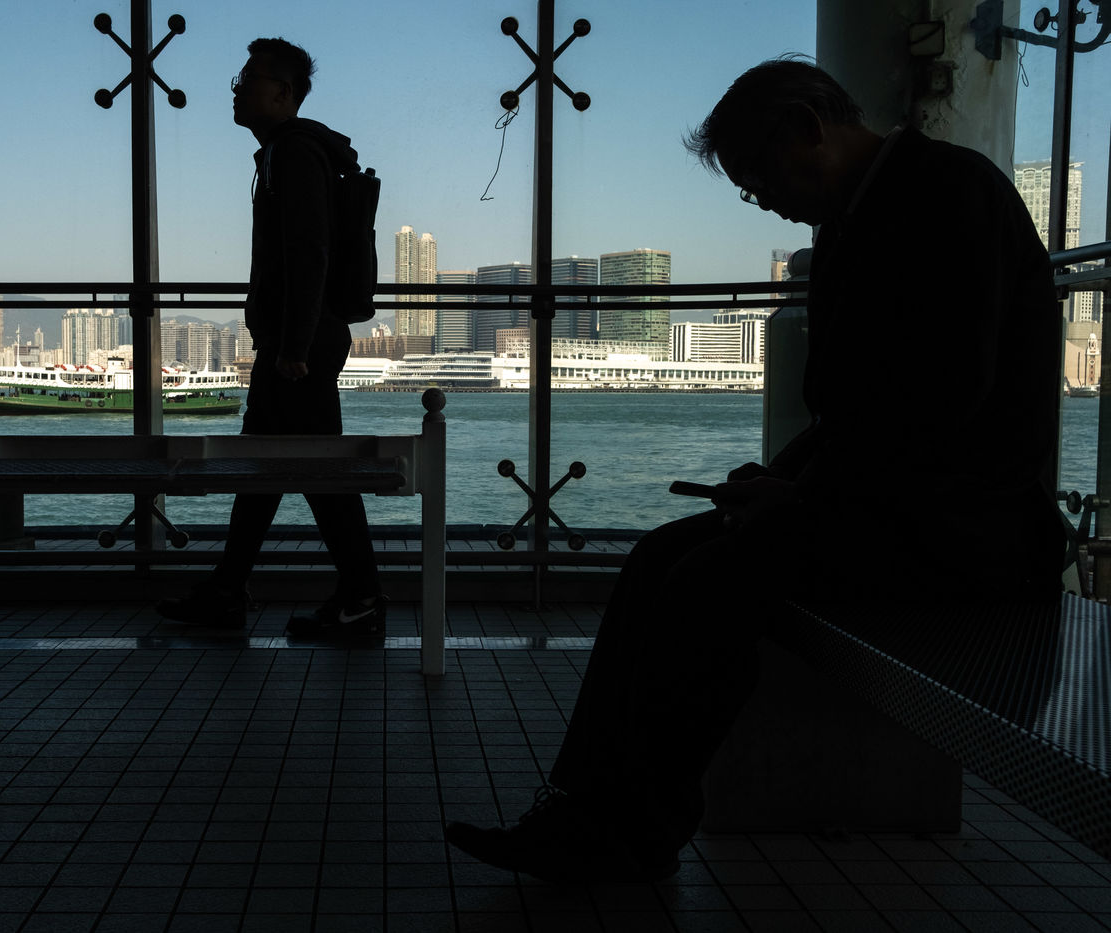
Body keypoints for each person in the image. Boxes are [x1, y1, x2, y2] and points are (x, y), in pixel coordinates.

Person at [445, 58, 1067, 884]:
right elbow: (865, 415)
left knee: (707, 580)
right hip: (909, 513)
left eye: (760, 178)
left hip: (971, 531)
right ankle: (590, 809)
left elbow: (941, 405)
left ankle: (632, 826)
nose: (765, 200)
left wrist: (799, 493)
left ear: (809, 126)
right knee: (656, 558)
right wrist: (779, 482)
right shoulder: (873, 212)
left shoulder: (948, 195)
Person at [157, 37, 385, 638]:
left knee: (316, 472)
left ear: (283, 93)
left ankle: (360, 597)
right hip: (298, 338)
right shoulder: (287, 153)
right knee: (266, 467)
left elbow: (310, 253)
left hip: (299, 344)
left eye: (249, 79)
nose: (237, 90)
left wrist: (293, 347)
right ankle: (231, 590)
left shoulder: (295, 154)